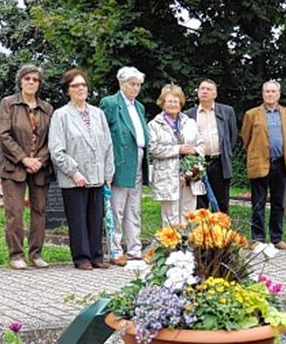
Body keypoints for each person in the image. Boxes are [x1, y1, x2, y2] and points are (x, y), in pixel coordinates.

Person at [48, 69, 115, 271]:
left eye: (83, 85)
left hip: (97, 175)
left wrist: (108, 173)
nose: (81, 88)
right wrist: (74, 172)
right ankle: (82, 257)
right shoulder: (61, 115)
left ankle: (97, 255)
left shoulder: (98, 114)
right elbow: (56, 150)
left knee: (96, 217)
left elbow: (107, 145)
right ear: (68, 90)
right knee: (77, 219)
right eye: (76, 85)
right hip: (74, 177)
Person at [0, 64, 54, 270]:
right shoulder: (8, 104)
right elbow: (4, 135)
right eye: (27, 79)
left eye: (35, 80)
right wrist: (24, 159)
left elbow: (51, 140)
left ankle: (36, 253)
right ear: (20, 81)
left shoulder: (47, 108)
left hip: (40, 167)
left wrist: (39, 160)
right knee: (14, 211)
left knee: (39, 210)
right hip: (13, 166)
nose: (31, 83)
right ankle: (16, 255)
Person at [99, 66, 149, 267]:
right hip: (119, 160)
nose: (135, 88)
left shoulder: (140, 107)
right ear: (122, 83)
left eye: (138, 85)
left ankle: (134, 248)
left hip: (137, 159)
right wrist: (107, 166)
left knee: (134, 208)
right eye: (132, 84)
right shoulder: (110, 103)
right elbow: (103, 134)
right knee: (117, 208)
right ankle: (115, 249)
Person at [240, 81, 286, 250]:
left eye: (273, 91)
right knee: (258, 203)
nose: (270, 94)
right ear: (263, 94)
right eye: (267, 92)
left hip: (279, 163)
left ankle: (277, 238)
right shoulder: (252, 114)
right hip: (260, 163)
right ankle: (258, 238)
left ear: (278, 94)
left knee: (278, 203)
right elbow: (245, 137)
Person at [148, 84, 205, 225]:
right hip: (167, 175)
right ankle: (172, 245)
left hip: (190, 175)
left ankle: (187, 244)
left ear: (181, 103)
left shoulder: (190, 123)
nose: (173, 104)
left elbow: (202, 144)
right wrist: (178, 149)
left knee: (189, 213)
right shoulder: (154, 125)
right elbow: (153, 149)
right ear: (162, 103)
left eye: (176, 101)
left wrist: (195, 151)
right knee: (170, 215)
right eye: (169, 101)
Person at [184, 79, 237, 213]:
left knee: (221, 202)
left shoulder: (227, 111)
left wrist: (225, 152)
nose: (205, 91)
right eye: (202, 88)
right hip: (197, 163)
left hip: (219, 162)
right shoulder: (188, 114)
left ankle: (220, 232)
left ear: (215, 94)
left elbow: (232, 136)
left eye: (209, 89)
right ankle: (201, 232)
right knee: (199, 202)